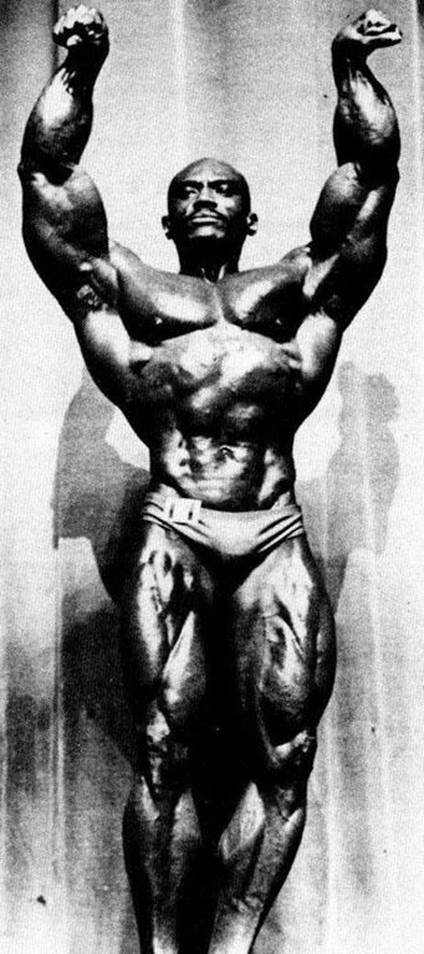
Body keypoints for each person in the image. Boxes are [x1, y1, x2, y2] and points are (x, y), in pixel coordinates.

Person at [19, 6, 401, 952]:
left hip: (273, 534)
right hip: (176, 528)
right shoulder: (130, 293)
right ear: (164, 216)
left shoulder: (298, 291)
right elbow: (50, 181)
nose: (205, 199)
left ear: (249, 213)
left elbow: (367, 181)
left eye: (223, 189)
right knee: (162, 751)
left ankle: (233, 943)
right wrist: (79, 69)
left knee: (289, 759)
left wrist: (350, 69)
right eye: (188, 190)